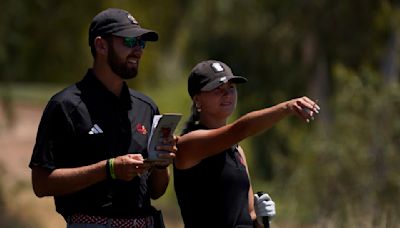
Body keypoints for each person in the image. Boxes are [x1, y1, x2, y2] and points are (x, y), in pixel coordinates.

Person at [29, 8, 176, 228]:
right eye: (129, 41)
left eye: (141, 44)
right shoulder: (65, 106)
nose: (137, 51)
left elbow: (156, 191)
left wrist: (162, 165)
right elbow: (41, 184)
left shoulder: (146, 107)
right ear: (101, 45)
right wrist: (108, 169)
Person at [173, 60, 320, 228]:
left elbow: (249, 215)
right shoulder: (188, 145)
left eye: (231, 88)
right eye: (217, 89)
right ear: (197, 100)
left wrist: (260, 217)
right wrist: (286, 107)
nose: (227, 94)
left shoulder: (237, 150)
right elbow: (240, 129)